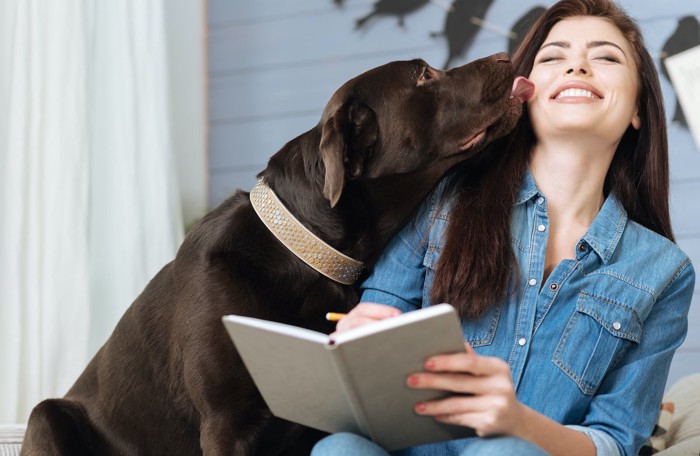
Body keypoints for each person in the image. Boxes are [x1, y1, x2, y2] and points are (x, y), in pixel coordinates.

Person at [310, 0, 695, 455]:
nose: (577, 65)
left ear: (637, 108)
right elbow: (374, 328)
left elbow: (614, 441)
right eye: (553, 57)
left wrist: (517, 422)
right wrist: (358, 337)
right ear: (524, 95)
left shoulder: (663, 271)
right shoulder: (444, 200)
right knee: (341, 448)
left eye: (606, 56)